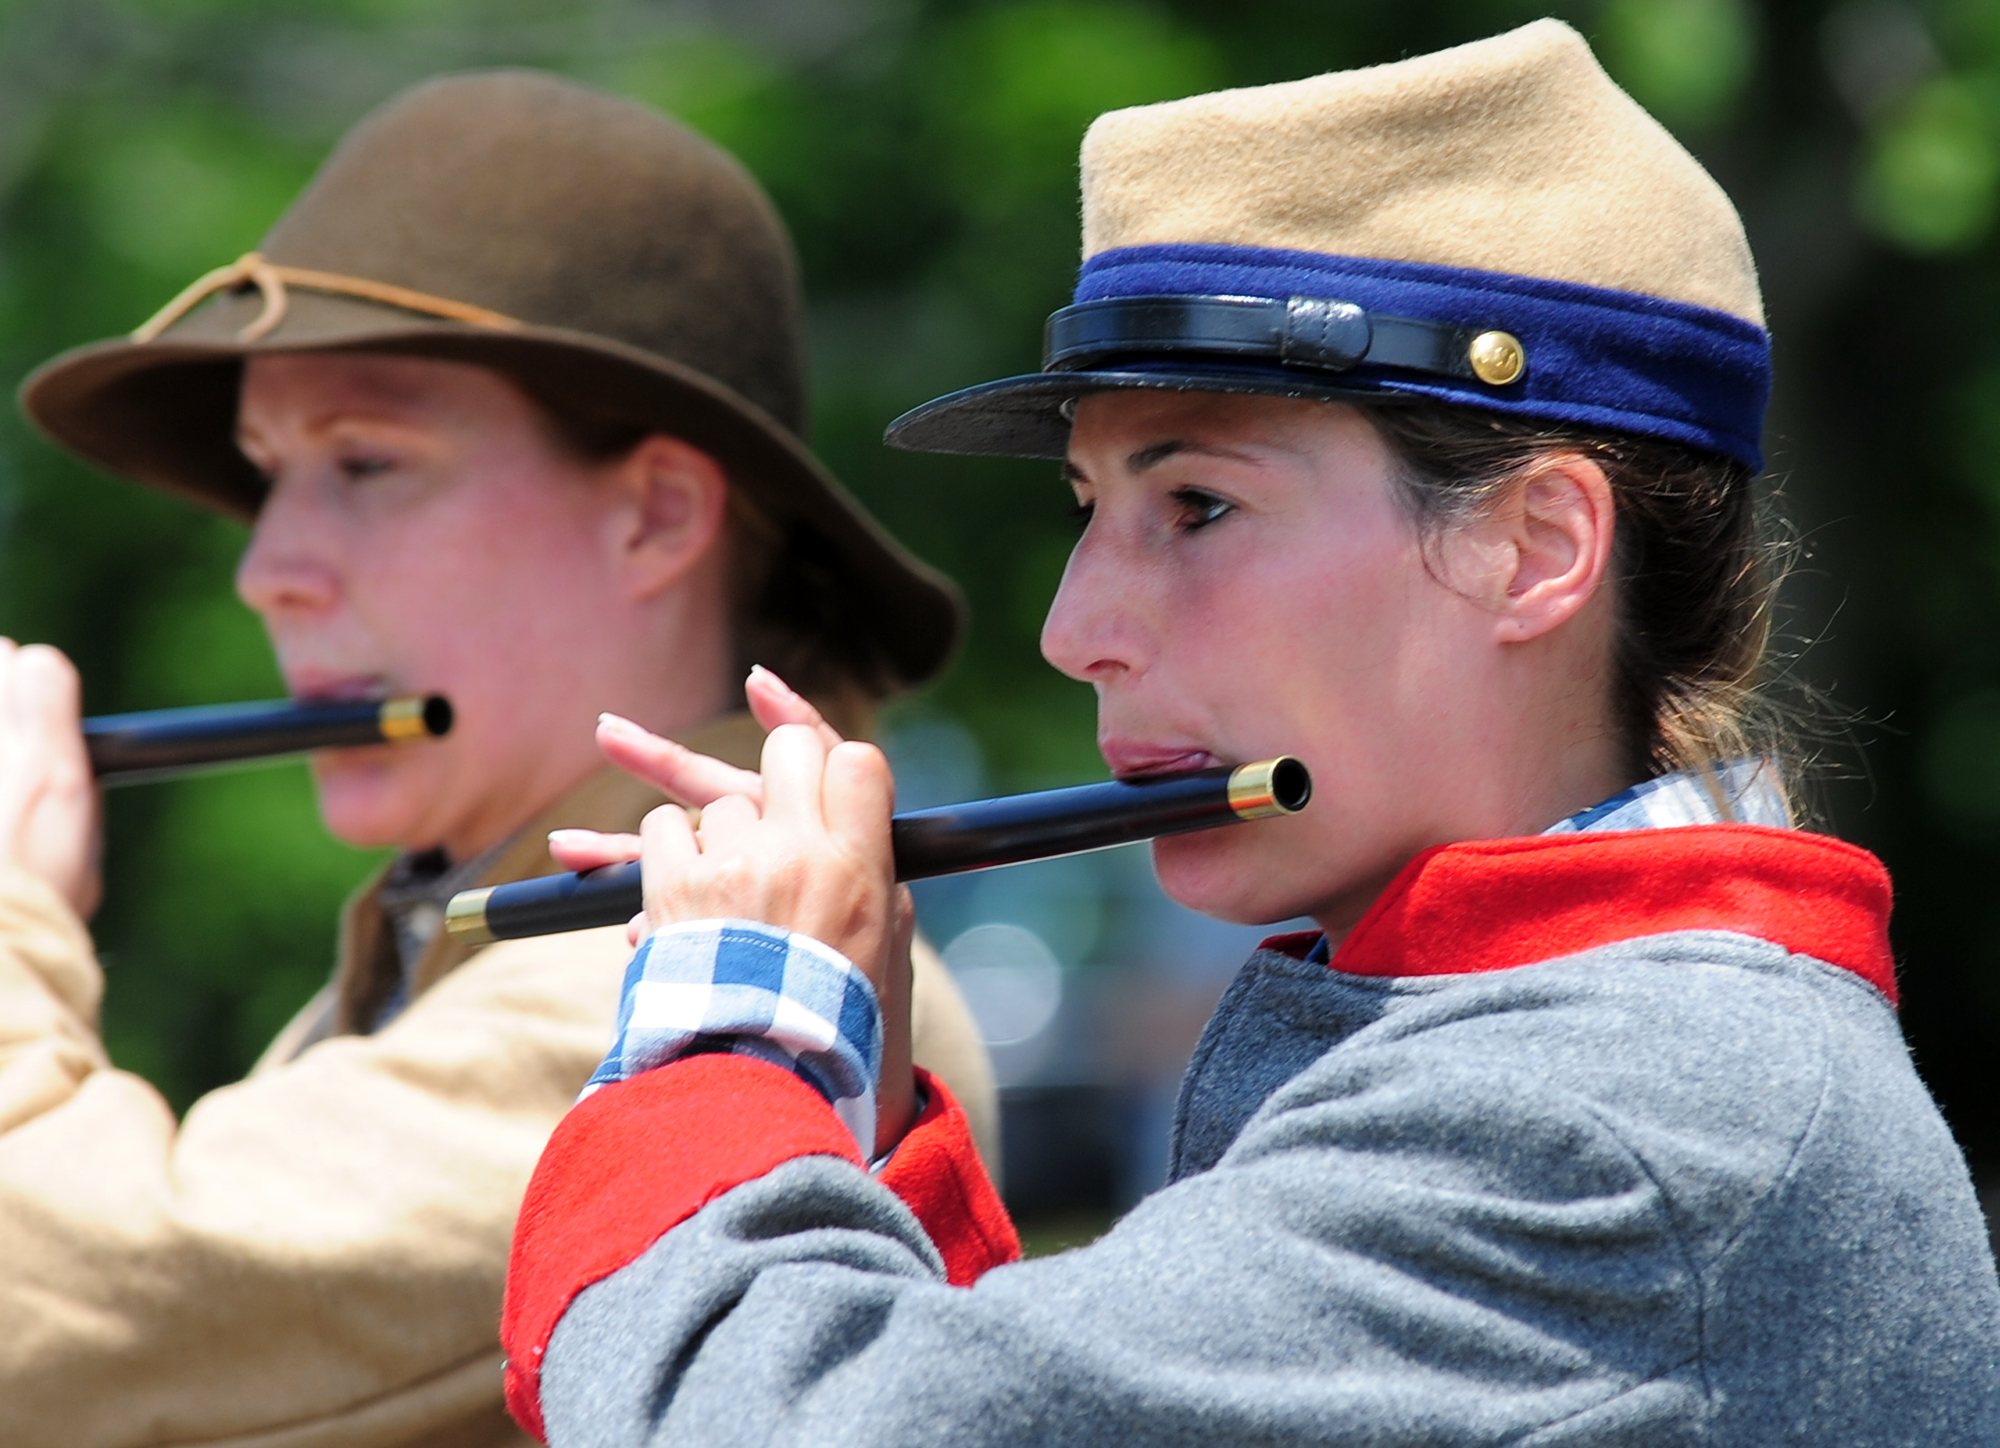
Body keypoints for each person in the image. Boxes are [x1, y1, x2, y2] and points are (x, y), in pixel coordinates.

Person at [496, 21, 2000, 1447]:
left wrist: (728, 1041)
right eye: (1090, 511)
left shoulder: (1614, 1119)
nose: (1076, 625)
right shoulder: (1594, 1054)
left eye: (1197, 505)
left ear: (1537, 546)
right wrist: (859, 1115)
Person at [0, 71, 995, 1448]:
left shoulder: (715, 989)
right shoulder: (473, 943)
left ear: (654, 513)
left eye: (363, 464)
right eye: (269, 474)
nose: (269, 571)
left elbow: (39, 1324)